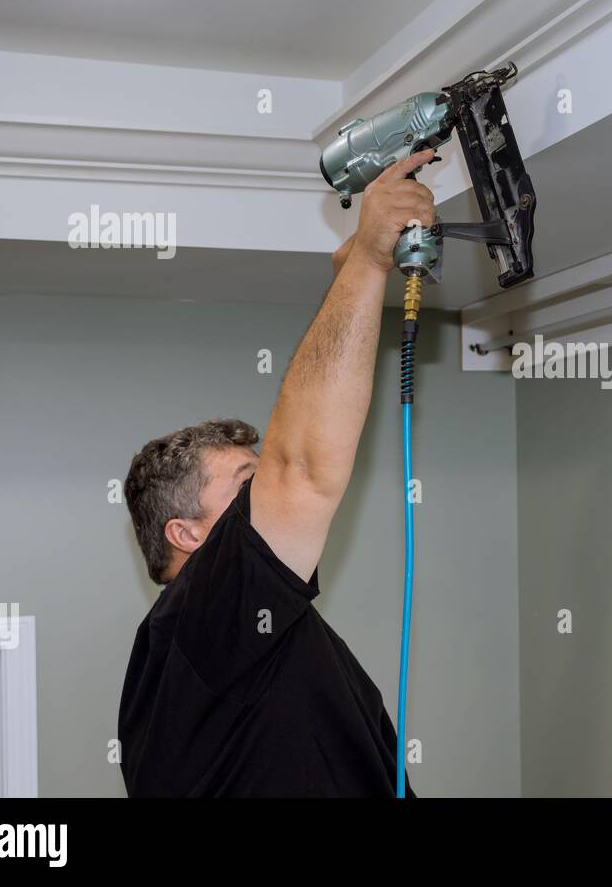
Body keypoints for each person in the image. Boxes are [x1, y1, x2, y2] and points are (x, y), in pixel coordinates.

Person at [117, 150, 438, 796]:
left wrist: (356, 278)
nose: (264, 497)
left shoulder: (226, 637)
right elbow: (303, 467)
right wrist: (372, 263)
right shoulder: (200, 622)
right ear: (185, 533)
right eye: (245, 485)